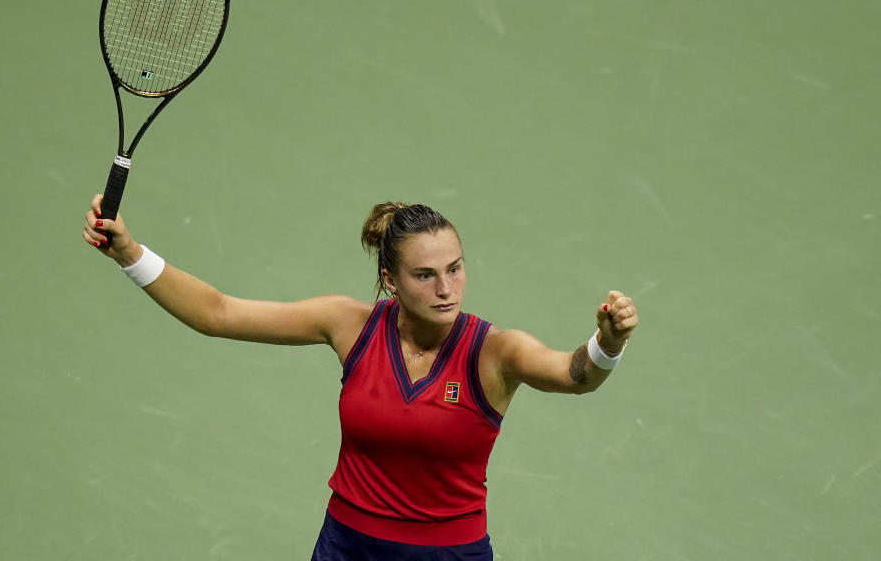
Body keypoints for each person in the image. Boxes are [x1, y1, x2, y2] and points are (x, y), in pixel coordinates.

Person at [82, 197, 639, 560]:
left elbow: (575, 375)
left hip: (448, 556)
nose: (446, 287)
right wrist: (129, 253)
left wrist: (608, 342)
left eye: (455, 267)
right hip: (347, 547)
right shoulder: (349, 325)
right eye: (424, 274)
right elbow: (219, 313)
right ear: (389, 279)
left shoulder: (494, 351)